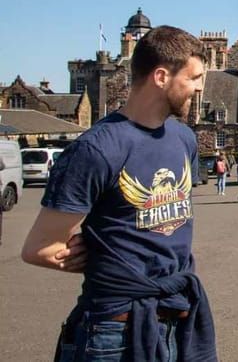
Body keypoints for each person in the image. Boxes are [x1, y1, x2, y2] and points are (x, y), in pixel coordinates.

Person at [21, 25, 217, 361]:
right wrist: (96, 255)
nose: (200, 87)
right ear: (161, 77)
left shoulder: (183, 139)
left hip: (178, 321)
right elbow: (38, 248)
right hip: (115, 331)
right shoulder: (95, 149)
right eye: (195, 77)